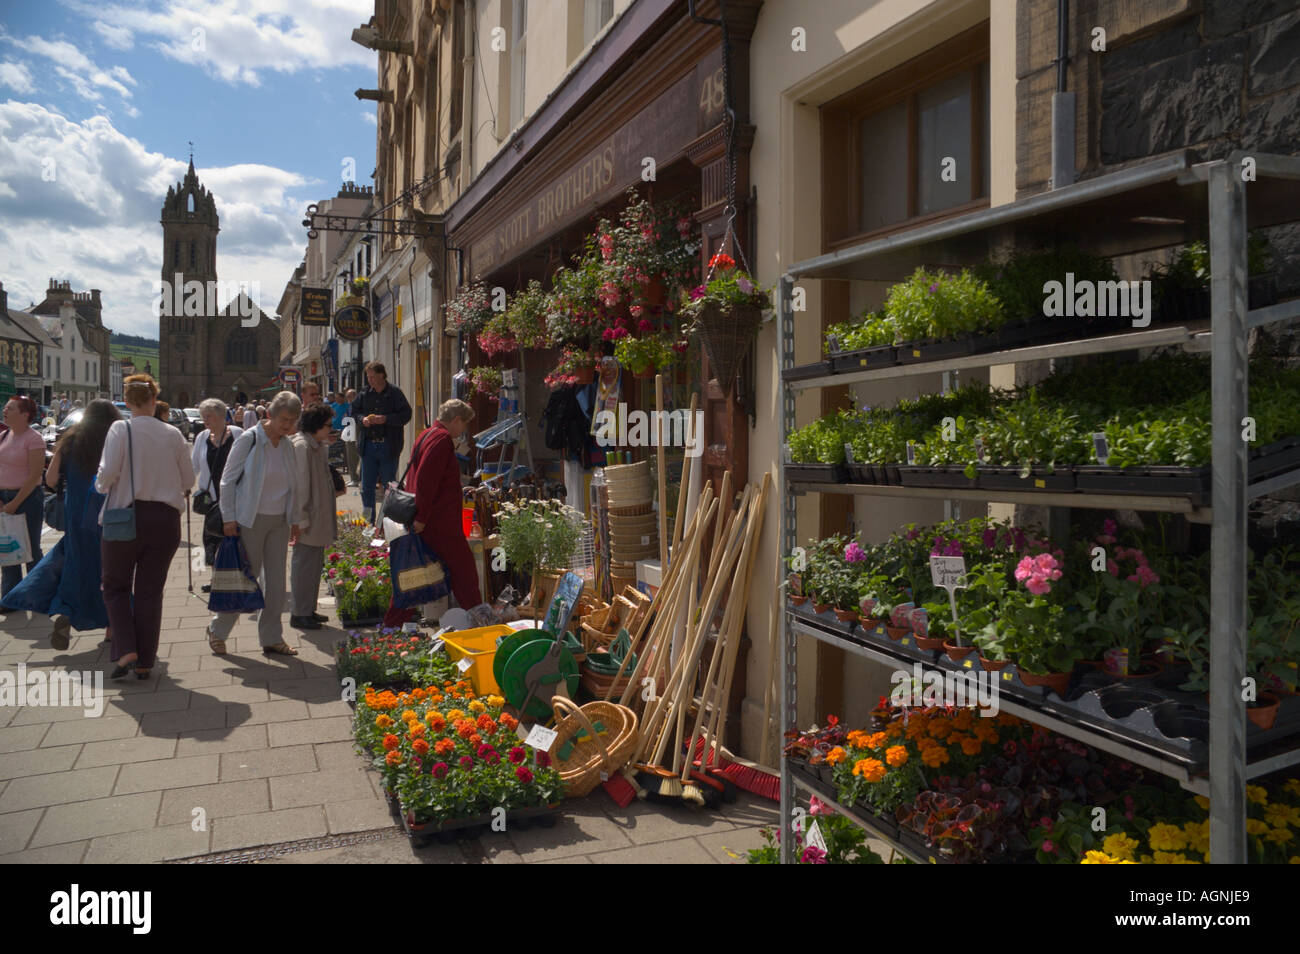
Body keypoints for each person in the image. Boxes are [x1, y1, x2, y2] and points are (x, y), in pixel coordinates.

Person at [96, 374, 194, 680]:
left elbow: (107, 474)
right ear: (154, 400)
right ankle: (145, 661)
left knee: (115, 586)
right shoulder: (173, 434)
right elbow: (190, 481)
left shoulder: (119, 428)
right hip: (165, 521)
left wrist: (102, 483)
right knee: (150, 591)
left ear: (127, 401)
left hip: (125, 517)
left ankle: (126, 648)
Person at [3, 399, 119, 647]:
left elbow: (51, 478)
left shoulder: (70, 441)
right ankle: (112, 626)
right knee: (110, 568)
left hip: (76, 513)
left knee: (74, 565)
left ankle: (65, 611)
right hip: (110, 512)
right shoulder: (116, 440)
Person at [208, 390, 302, 657]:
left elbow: (293, 485)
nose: (287, 425)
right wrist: (229, 518)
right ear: (270, 415)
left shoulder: (287, 445)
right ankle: (218, 630)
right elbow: (227, 481)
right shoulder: (249, 439)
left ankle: (271, 637)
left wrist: (294, 519)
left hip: (278, 521)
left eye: (292, 421)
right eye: (284, 419)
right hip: (249, 520)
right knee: (243, 581)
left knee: (276, 584)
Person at [407, 399, 482, 611]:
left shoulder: (427, 434)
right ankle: (478, 616)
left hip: (431, 518)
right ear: (456, 420)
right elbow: (426, 479)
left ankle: (394, 624)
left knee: (414, 572)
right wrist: (422, 517)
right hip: (439, 522)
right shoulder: (441, 439)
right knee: (464, 570)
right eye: (464, 424)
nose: (463, 429)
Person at [288, 403, 340, 630]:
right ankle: (299, 613)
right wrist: (301, 520)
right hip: (308, 519)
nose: (331, 429)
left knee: (313, 566)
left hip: (318, 517)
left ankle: (308, 609)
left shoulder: (316, 445)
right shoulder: (302, 446)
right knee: (304, 567)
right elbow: (300, 486)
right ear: (316, 425)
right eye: (328, 425)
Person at [350, 362, 412, 523]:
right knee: (366, 487)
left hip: (388, 445)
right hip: (369, 445)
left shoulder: (394, 393)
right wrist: (362, 419)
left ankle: (386, 522)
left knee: (389, 486)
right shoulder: (365, 393)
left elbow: (406, 414)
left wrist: (386, 419)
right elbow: (354, 411)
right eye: (368, 376)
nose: (369, 380)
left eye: (372, 376)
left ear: (381, 375)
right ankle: (369, 522)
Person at [0, 395, 47, 606]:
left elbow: (35, 475)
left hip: (27, 499)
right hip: (4, 498)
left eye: (10, 408)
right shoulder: (3, 436)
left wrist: (15, 503)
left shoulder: (34, 438)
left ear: (25, 414)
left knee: (30, 548)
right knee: (7, 549)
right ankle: (10, 596)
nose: (5, 411)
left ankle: (37, 594)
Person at [191, 399, 243, 587]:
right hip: (211, 499)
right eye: (203, 416)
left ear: (222, 416)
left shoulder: (238, 434)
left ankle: (237, 577)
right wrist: (185, 485)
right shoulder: (202, 437)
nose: (205, 420)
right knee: (212, 538)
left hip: (235, 496)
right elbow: (194, 465)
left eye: (209, 416)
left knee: (234, 538)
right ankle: (216, 580)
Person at [342, 387, 360, 486]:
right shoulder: (350, 405)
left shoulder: (356, 405)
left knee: (353, 454)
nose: (348, 398)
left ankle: (355, 478)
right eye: (347, 397)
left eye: (350, 396)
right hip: (349, 429)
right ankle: (353, 477)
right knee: (349, 454)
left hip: (354, 430)